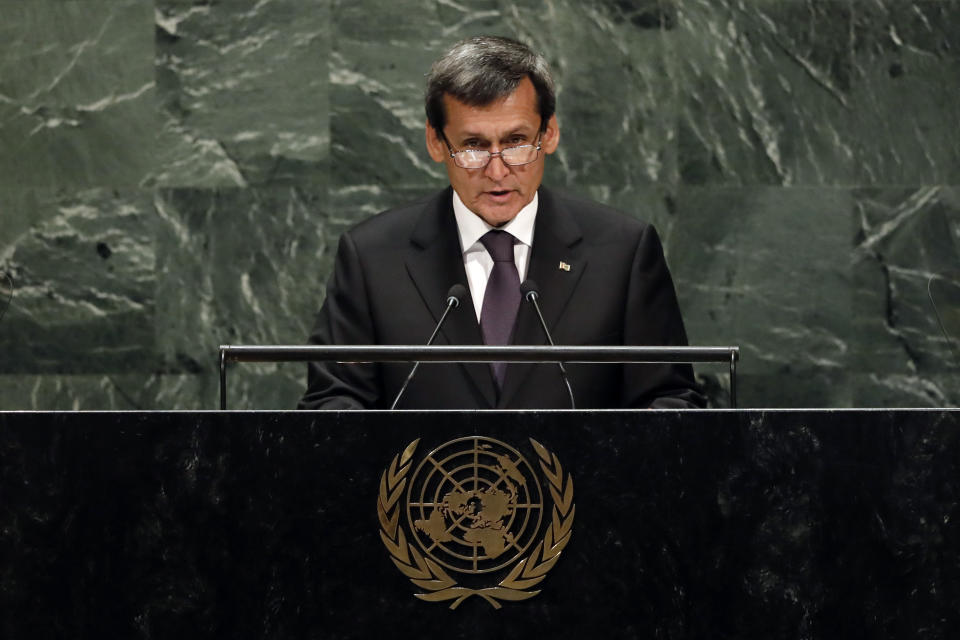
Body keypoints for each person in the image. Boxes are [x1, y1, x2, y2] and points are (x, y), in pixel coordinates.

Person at [299, 35, 704, 410]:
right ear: (436, 143)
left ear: (550, 134)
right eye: (474, 146)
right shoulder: (372, 258)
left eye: (516, 142)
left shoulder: (623, 253)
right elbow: (333, 404)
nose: (497, 171)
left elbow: (669, 400)